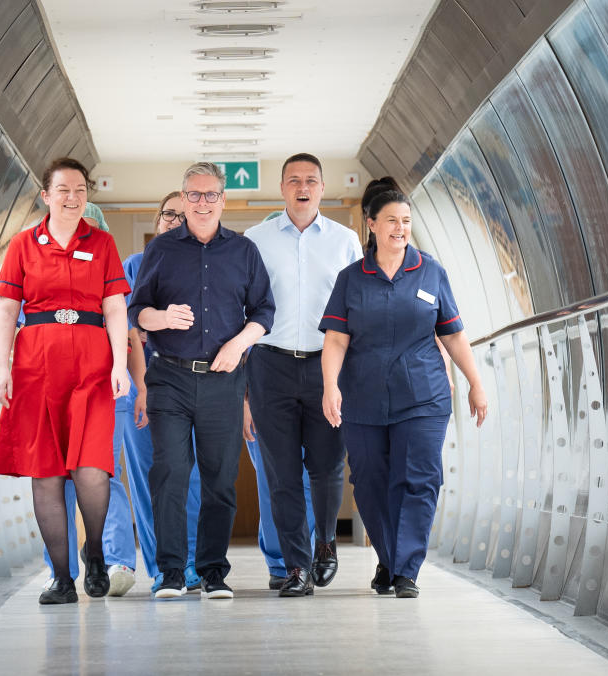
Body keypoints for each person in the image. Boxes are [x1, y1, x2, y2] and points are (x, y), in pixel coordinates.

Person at [320, 188, 487, 598]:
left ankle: (405, 570)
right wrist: (329, 387)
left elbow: (453, 334)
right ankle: (390, 558)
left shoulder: (431, 272)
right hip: (362, 396)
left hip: (424, 396)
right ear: (372, 225)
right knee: (371, 482)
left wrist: (476, 383)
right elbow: (337, 340)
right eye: (392, 220)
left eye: (406, 221)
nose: (400, 228)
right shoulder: (351, 279)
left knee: (418, 479)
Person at [129, 162, 275, 599]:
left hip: (223, 380)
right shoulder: (161, 250)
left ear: (223, 200)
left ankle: (213, 572)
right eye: (194, 195)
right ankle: (170, 573)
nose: (202, 202)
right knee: (170, 472)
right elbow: (139, 311)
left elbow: (264, 312)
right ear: (184, 198)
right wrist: (163, 317)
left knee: (218, 479)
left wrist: (239, 345)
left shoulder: (244, 252)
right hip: (170, 378)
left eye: (211, 195)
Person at [0, 157, 132, 605]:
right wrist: (0, 366)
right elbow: (7, 310)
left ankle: (93, 553)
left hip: (91, 364)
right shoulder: (22, 245)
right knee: (46, 473)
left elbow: (114, 307)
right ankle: (62, 579)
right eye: (63, 190)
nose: (73, 198)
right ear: (46, 196)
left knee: (92, 467)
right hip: (37, 365)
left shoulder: (103, 242)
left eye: (80, 190)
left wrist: (119, 364)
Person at [243, 154, 362, 596]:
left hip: (326, 364)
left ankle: (325, 543)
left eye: (310, 180)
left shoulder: (345, 240)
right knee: (281, 473)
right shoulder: (254, 240)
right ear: (282, 188)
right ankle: (296, 567)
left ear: (322, 187)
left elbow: (357, 308)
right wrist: (244, 394)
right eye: (293, 180)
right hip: (269, 364)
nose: (302, 186)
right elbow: (244, 310)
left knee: (328, 465)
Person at [36, 201, 146, 597]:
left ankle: (114, 559)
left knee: (103, 472)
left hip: (104, 388)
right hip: (51, 390)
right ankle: (60, 571)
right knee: (57, 481)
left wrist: (138, 386)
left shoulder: (107, 267)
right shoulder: (38, 268)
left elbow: (128, 334)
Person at [119, 192, 205, 593]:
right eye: (167, 214)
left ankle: (191, 562)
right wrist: (139, 385)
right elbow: (127, 329)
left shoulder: (206, 266)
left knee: (192, 478)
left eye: (181, 214)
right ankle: (160, 567)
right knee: (149, 476)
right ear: (157, 221)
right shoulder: (133, 268)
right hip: (145, 387)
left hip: (194, 386)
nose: (173, 220)